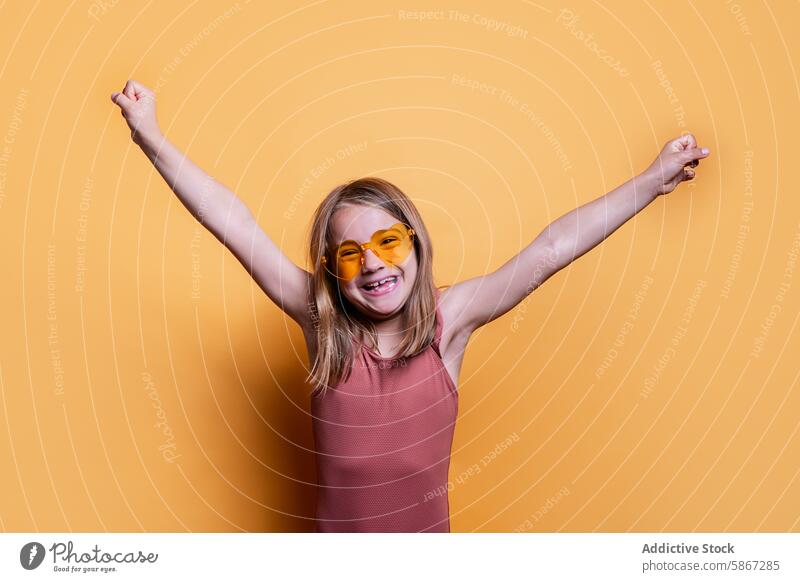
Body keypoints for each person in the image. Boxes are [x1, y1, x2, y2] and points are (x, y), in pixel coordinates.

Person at [111, 79, 711, 532]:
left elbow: (551, 247)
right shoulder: (323, 324)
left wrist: (651, 181)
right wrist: (151, 136)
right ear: (330, 270)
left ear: (417, 246)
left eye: (387, 243)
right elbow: (234, 221)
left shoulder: (451, 325)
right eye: (349, 254)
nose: (372, 264)